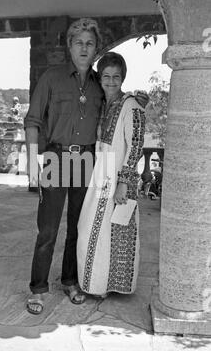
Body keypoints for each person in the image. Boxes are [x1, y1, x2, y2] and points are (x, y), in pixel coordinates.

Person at [24, 18, 103, 314]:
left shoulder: (99, 85)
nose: (84, 47)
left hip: (86, 159)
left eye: (89, 43)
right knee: (48, 229)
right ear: (70, 46)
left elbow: (113, 116)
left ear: (96, 48)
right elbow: (32, 121)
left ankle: (70, 280)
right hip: (56, 158)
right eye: (78, 42)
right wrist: (33, 160)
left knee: (77, 228)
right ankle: (38, 288)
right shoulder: (51, 78)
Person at [77, 52, 146, 297]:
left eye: (116, 76)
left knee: (113, 230)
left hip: (117, 176)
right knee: (91, 228)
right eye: (106, 75)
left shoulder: (131, 105)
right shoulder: (102, 103)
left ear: (123, 77)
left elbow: (136, 144)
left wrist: (124, 183)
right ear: (100, 78)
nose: (111, 81)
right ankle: (96, 283)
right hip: (100, 173)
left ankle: (105, 285)